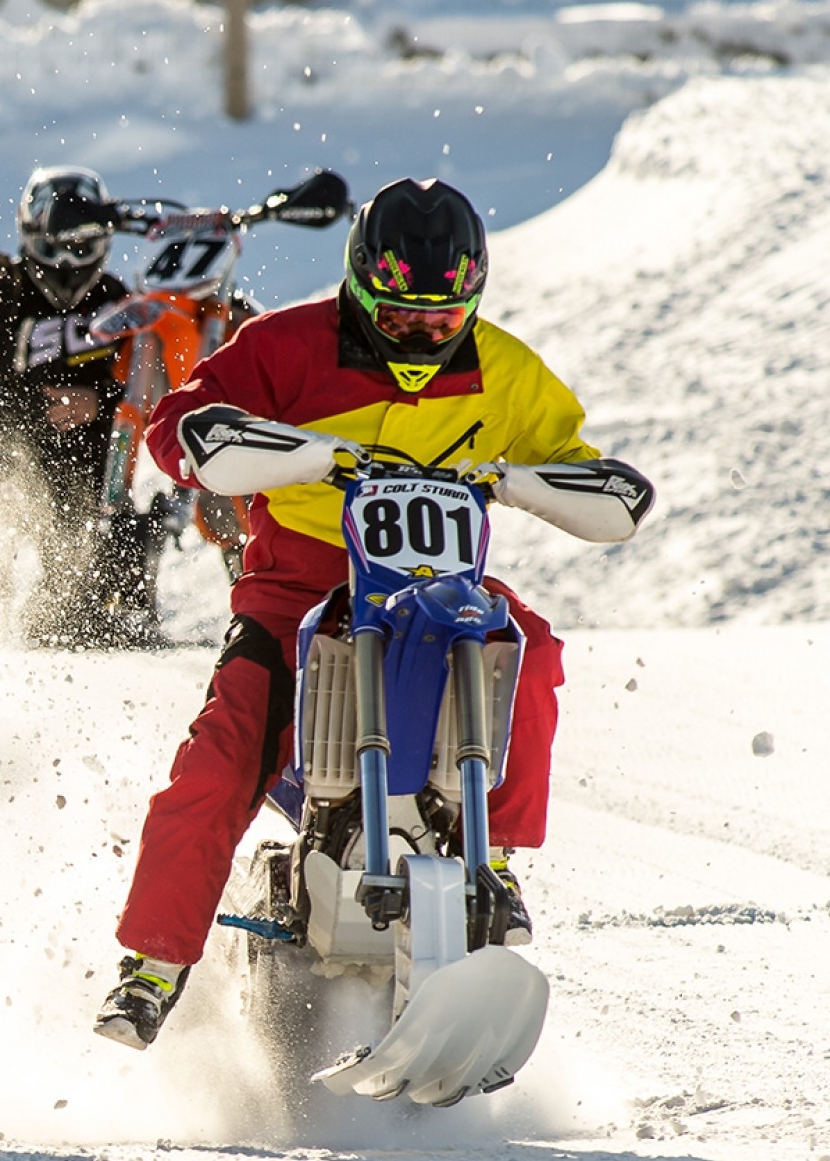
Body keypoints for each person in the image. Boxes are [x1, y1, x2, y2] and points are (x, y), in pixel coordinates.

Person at [93, 177, 654, 1047]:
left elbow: (595, 477)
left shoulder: (505, 370)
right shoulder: (281, 346)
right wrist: (298, 454)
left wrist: (520, 481)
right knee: (222, 753)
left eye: (443, 319)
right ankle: (152, 967)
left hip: (445, 591)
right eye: (400, 318)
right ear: (358, 286)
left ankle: (494, 860)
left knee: (532, 646)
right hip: (298, 595)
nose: (423, 334)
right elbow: (179, 425)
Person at [0, 166, 163, 646]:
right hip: (7, 444)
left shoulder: (118, 299)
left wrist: (97, 401)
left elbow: (150, 390)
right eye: (58, 247)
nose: (69, 264)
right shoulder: (1, 286)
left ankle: (94, 610)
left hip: (89, 461)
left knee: (82, 599)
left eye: (81, 247)